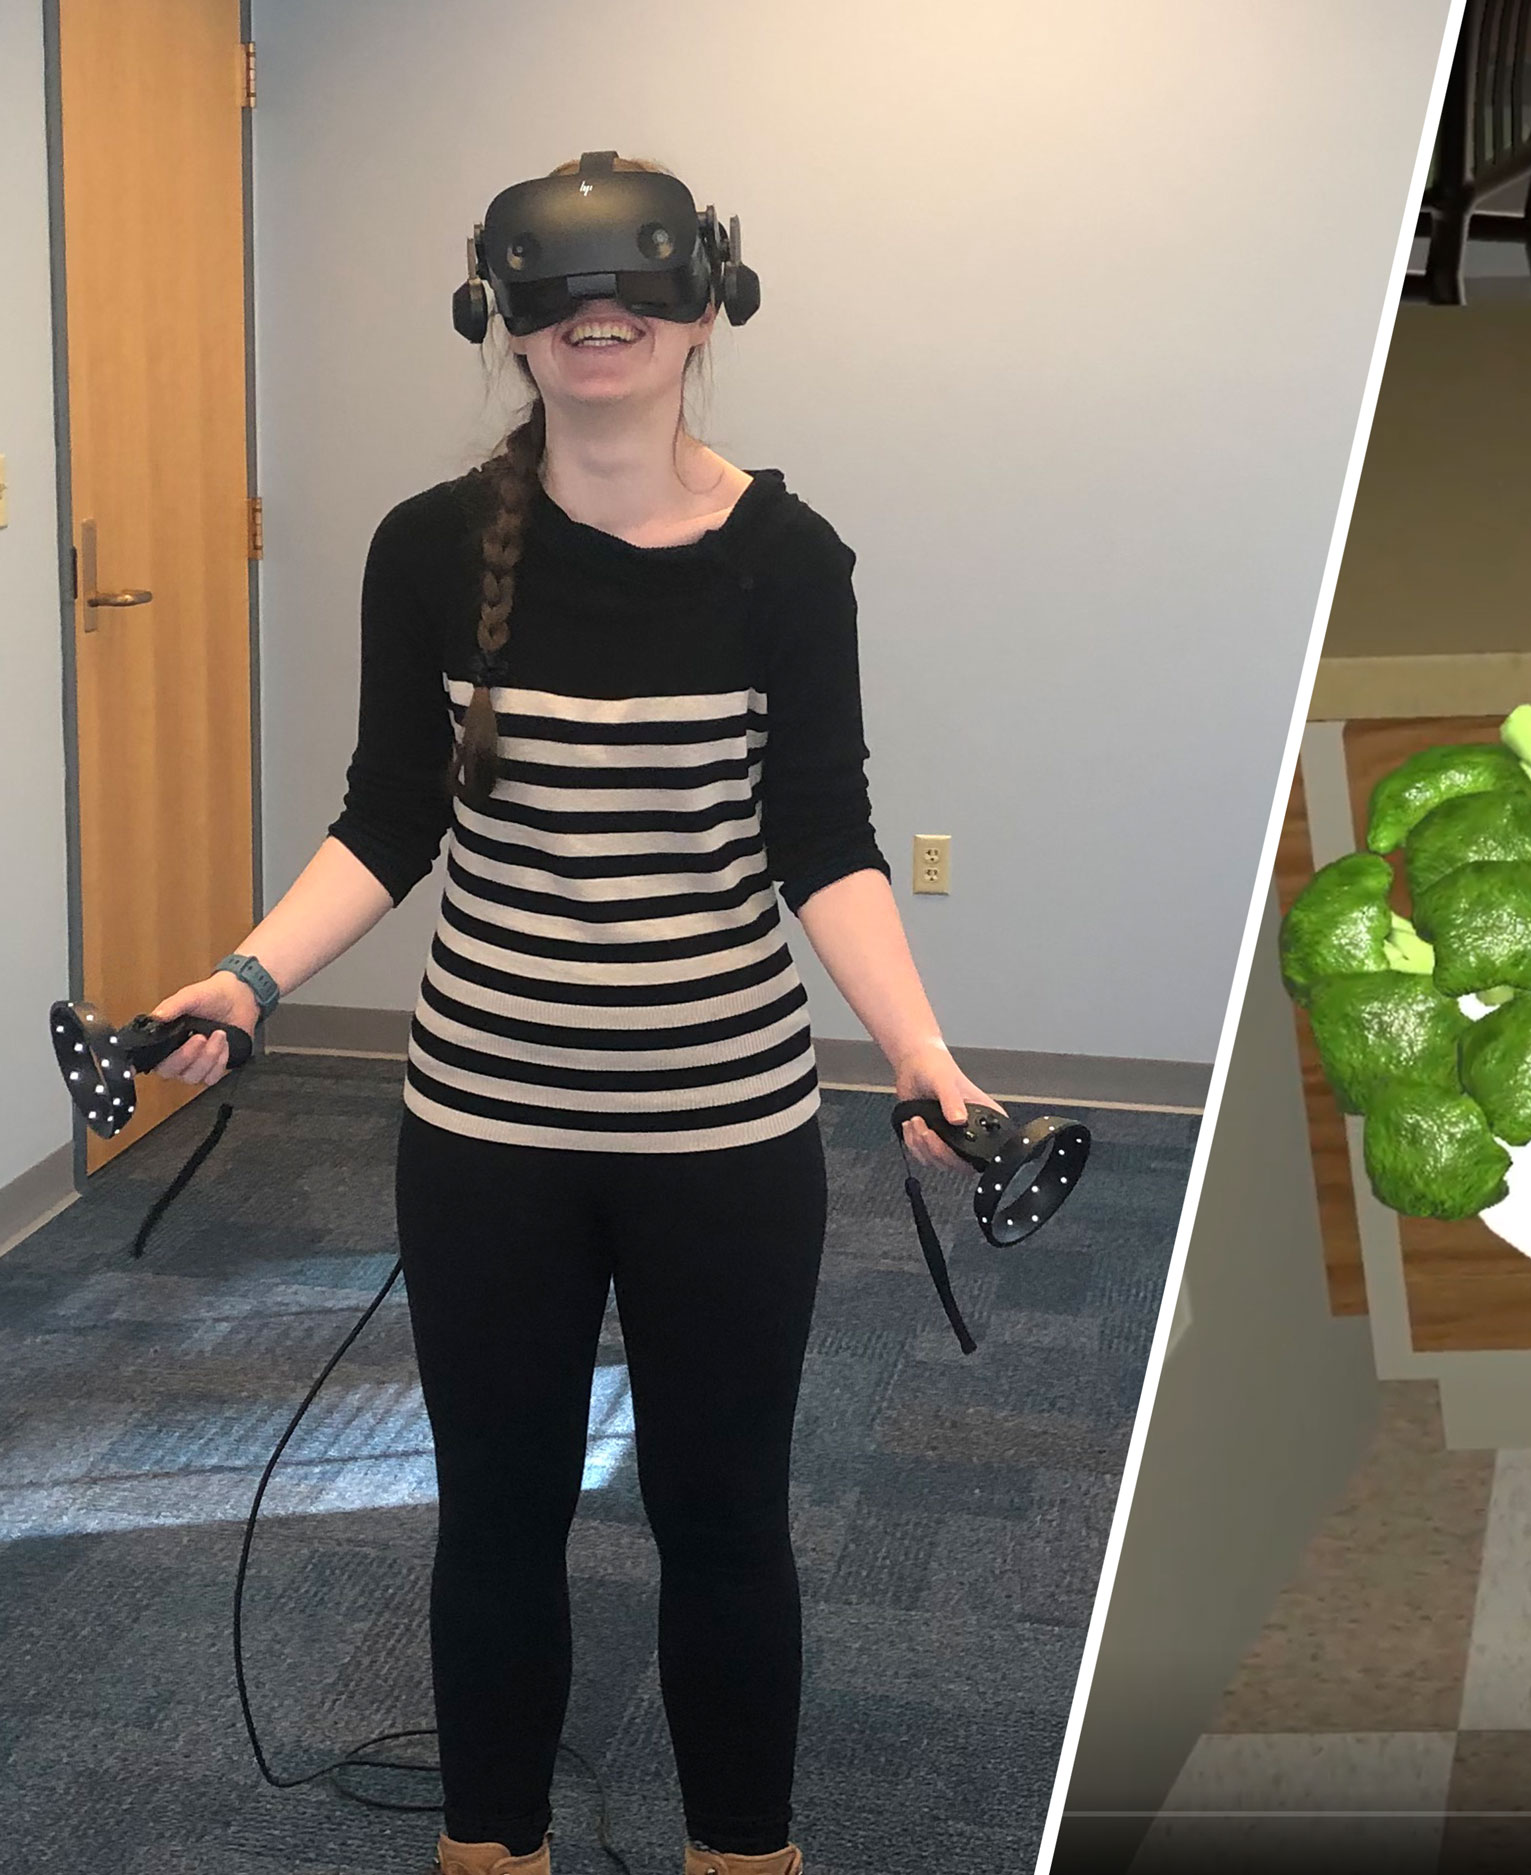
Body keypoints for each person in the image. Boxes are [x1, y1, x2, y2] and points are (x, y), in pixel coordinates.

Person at [148, 155, 987, 1875]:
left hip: (724, 1134)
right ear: (506, 325)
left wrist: (921, 1052)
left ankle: (743, 1850)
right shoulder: (431, 550)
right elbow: (391, 815)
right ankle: (492, 1849)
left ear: (705, 314)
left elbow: (819, 834)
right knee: (501, 1517)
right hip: (486, 1135)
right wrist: (246, 978)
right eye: (564, 306)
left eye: (637, 302)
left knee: (725, 1517)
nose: (601, 331)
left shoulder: (785, 556)